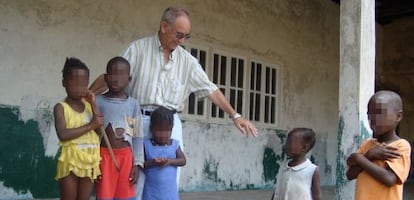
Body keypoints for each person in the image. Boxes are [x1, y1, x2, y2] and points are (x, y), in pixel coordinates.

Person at [89, 6, 258, 199]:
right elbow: (112, 75)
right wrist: (87, 95)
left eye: (186, 36)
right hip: (135, 117)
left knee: (166, 179)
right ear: (164, 27)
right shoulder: (138, 49)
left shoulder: (187, 61)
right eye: (179, 35)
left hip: (170, 124)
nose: (182, 41)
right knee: (134, 177)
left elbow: (209, 88)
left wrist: (234, 115)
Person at [94, 56, 144, 200]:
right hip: (103, 157)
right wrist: (93, 162)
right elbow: (92, 134)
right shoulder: (97, 101)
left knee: (125, 196)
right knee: (104, 196)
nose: (116, 78)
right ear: (105, 77)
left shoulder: (132, 105)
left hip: (126, 158)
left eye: (121, 75)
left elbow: (137, 136)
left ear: (129, 79)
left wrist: (137, 163)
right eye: (112, 74)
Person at [346, 90, 411, 200]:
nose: (373, 119)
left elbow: (390, 179)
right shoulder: (368, 144)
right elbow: (350, 174)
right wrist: (369, 155)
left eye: (380, 113)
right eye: (369, 114)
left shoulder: (400, 146)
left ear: (398, 116)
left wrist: (359, 158)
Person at [53, 57, 103, 200]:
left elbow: (99, 131)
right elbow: (62, 134)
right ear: (64, 83)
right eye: (74, 83)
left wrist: (93, 104)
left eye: (84, 83)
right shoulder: (61, 108)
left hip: (89, 160)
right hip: (71, 160)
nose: (80, 87)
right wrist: (90, 125)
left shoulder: (89, 107)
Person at [142, 106, 186, 200]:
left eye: (167, 131)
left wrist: (169, 161)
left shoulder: (174, 145)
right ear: (151, 129)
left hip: (170, 194)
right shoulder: (147, 145)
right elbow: (141, 163)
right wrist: (153, 163)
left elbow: (183, 161)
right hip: (151, 194)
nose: (163, 135)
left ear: (172, 129)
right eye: (159, 131)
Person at [271, 128, 321, 200]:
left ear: (304, 147)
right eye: (287, 142)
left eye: (291, 142)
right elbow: (277, 191)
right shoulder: (284, 166)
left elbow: (317, 196)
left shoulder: (312, 170)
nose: (286, 145)